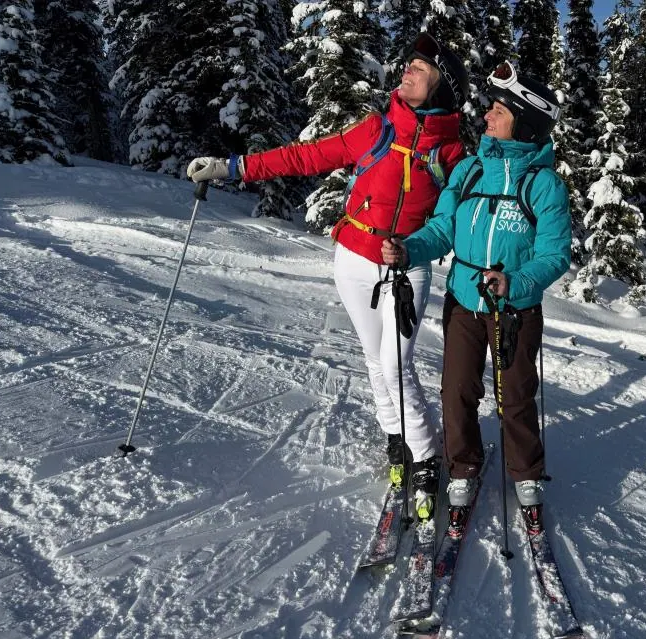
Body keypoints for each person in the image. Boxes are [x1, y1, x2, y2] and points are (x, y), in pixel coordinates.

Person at [186, 33, 470, 520]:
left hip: (409, 266)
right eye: (408, 63)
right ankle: (396, 438)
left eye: (421, 68)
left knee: (396, 363)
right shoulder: (378, 129)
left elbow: (457, 216)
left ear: (443, 86)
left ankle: (425, 456)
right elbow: (305, 156)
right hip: (354, 260)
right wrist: (230, 167)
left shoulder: (450, 153)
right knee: (375, 360)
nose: (407, 71)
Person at [382, 62, 571, 528]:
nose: (488, 115)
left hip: (515, 310)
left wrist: (517, 283)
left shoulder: (543, 184)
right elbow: (443, 228)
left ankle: (526, 473)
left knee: (516, 395)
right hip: (464, 301)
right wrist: (409, 249)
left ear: (523, 123)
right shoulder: (468, 170)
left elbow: (555, 254)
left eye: (500, 110)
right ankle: (462, 465)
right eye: (491, 107)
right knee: (457, 390)